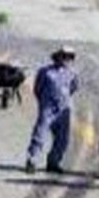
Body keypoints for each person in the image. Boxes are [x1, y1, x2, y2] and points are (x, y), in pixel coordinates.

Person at [24, 46, 79, 174]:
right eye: (64, 56)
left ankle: (53, 162)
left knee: (62, 139)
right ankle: (32, 161)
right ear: (58, 56)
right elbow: (37, 89)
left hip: (63, 110)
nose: (67, 59)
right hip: (47, 109)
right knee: (39, 135)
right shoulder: (45, 72)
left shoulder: (73, 74)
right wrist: (45, 102)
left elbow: (73, 88)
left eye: (70, 57)